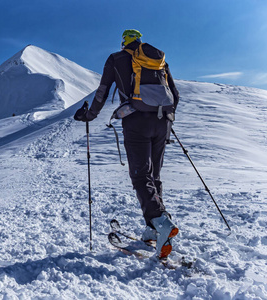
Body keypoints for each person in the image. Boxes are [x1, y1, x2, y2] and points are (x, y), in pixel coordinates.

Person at [74, 29, 180, 259]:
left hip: (136, 123)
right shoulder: (159, 61)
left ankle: (161, 223)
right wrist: (166, 120)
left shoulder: (116, 59)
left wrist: (89, 116)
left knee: (141, 176)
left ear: (124, 42)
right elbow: (175, 94)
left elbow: (102, 92)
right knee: (154, 176)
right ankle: (152, 229)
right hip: (162, 122)